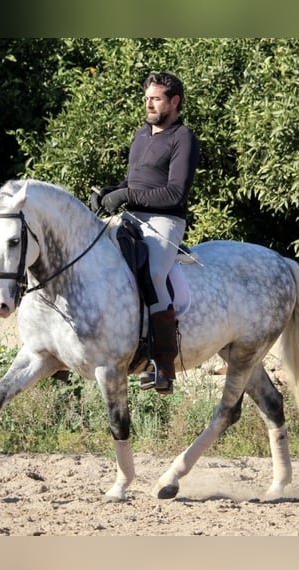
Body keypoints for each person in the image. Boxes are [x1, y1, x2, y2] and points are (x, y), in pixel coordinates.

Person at [93, 72, 200, 393]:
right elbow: (137, 185)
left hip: (165, 221)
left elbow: (173, 194)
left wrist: (125, 196)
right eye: (147, 98)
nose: (148, 104)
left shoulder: (184, 138)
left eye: (155, 99)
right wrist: (112, 191)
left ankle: (163, 365)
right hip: (132, 216)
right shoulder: (141, 134)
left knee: (153, 272)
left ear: (174, 101)